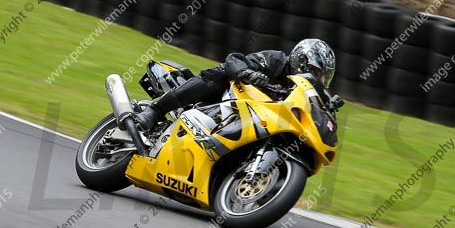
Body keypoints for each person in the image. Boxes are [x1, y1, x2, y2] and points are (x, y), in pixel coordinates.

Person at [133, 38, 337, 131]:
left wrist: (328, 109)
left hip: (257, 121)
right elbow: (235, 59)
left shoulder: (306, 93)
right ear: (300, 61)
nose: (317, 79)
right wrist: (249, 74)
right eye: (315, 72)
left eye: (322, 76)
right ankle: (155, 111)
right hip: (233, 97)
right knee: (221, 73)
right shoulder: (276, 60)